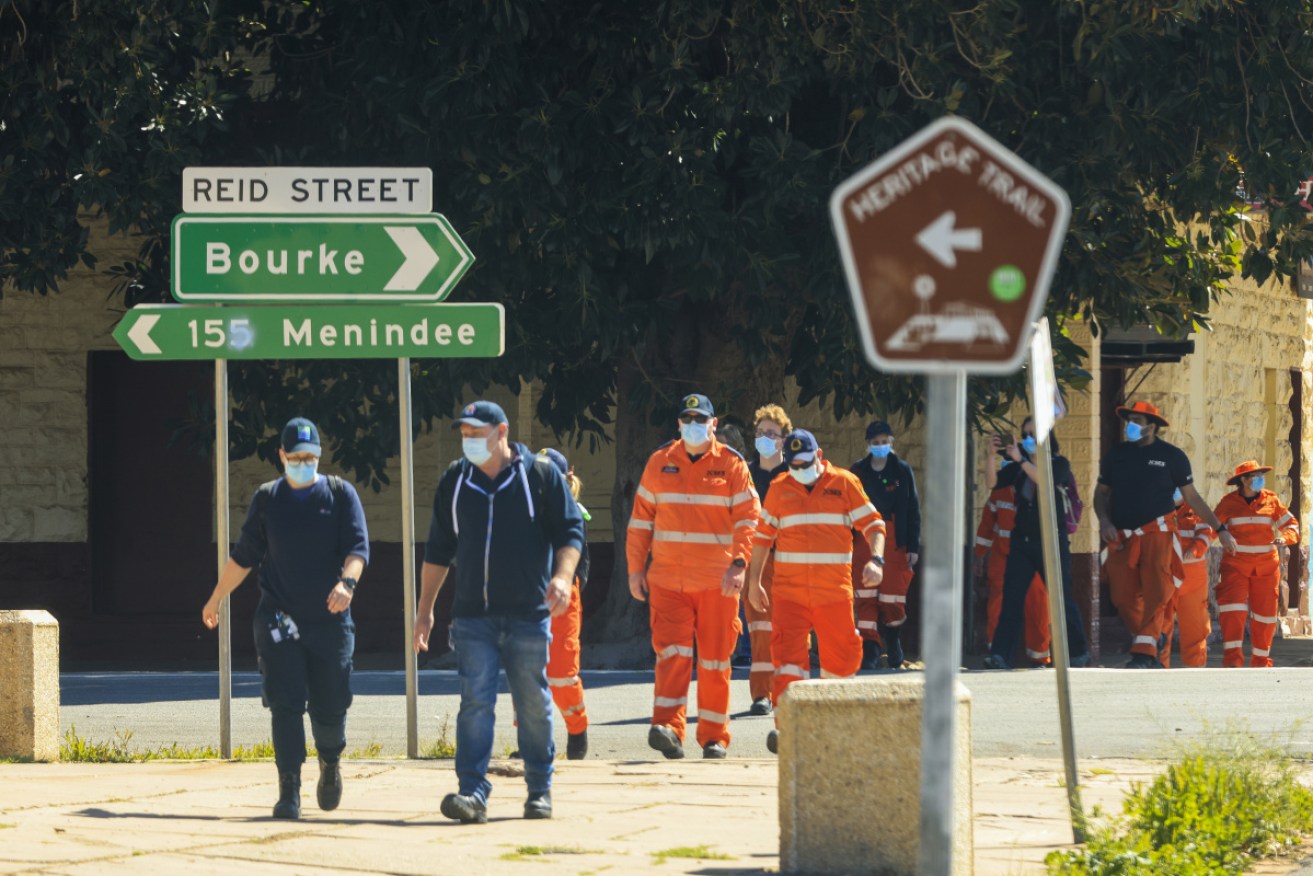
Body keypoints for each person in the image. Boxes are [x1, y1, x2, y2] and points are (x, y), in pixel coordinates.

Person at [414, 401, 584, 823]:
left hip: (529, 614)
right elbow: (438, 550)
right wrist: (424, 612)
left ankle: (539, 789)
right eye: (464, 433)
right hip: (473, 617)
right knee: (475, 702)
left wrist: (562, 577)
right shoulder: (456, 481)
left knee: (531, 703)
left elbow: (570, 531)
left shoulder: (539, 477)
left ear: (502, 432)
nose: (469, 440)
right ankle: (472, 791)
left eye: (477, 432)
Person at [201, 417, 369, 820]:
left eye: (310, 457)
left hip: (330, 622)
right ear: (281, 455)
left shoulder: (340, 494)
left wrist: (347, 584)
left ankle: (330, 762)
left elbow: (358, 550)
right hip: (279, 622)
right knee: (285, 704)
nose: (303, 463)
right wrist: (216, 598)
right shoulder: (268, 499)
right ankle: (288, 789)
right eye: (295, 457)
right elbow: (244, 556)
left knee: (330, 707)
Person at [627, 392, 759, 760]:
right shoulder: (659, 462)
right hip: (668, 580)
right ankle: (668, 728)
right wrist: (636, 570)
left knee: (716, 660)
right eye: (687, 419)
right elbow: (640, 523)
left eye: (701, 420)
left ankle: (714, 737)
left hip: (717, 581)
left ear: (713, 424)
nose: (693, 425)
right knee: (671, 655)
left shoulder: (731, 465)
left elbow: (749, 520)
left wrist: (739, 565)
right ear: (679, 424)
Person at [748, 429, 885, 754]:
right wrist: (754, 582)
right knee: (786, 664)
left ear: (819, 456)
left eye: (806, 463)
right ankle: (788, 729)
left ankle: (833, 730)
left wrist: (877, 560)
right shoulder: (781, 489)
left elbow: (873, 524)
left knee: (839, 661)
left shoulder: (844, 483)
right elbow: (763, 537)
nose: (800, 470)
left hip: (833, 594)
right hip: (789, 594)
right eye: (794, 464)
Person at [1094, 401, 1236, 668]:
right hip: (1122, 536)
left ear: (1152, 426)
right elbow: (1101, 494)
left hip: (1158, 533)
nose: (1131, 426)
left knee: (1158, 594)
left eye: (1137, 421)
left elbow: (1192, 497)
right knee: (1122, 597)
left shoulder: (1172, 456)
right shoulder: (1116, 455)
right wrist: (1103, 521)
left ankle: (1144, 654)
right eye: (1129, 420)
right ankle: (1152, 637)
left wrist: (1220, 529)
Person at [982, 429, 1090, 670]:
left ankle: (1079, 652)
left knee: (1062, 599)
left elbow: (1046, 479)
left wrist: (1021, 460)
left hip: (1051, 540)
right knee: (1011, 598)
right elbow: (992, 483)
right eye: (1026, 434)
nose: (1028, 439)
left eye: (1033, 435)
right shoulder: (1019, 466)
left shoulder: (1059, 464)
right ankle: (1000, 654)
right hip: (1022, 541)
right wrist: (990, 456)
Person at [974, 423, 1052, 666]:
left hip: (1033, 553)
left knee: (1038, 605)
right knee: (998, 604)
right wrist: (979, 556)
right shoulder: (1000, 493)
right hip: (1002, 559)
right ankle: (997, 653)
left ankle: (1038, 656)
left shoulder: (1046, 478)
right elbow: (987, 526)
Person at [1212, 460, 1300, 668]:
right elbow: (1212, 526)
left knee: (1266, 615)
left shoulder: (1272, 500)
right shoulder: (1228, 502)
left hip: (1266, 568)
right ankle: (1233, 660)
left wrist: (1285, 538)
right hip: (1236, 566)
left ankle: (1261, 661)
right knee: (1233, 612)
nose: (1260, 481)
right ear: (1243, 480)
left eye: (1261, 477)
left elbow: (1291, 525)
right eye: (1255, 477)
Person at [850, 420, 921, 669]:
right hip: (862, 537)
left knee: (892, 596)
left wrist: (913, 546)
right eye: (875, 443)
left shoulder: (900, 472)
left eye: (884, 442)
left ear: (891, 443)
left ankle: (893, 640)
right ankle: (870, 648)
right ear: (868, 444)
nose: (880, 447)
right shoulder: (858, 472)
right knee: (865, 595)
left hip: (894, 537)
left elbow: (912, 508)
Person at [538, 448, 591, 758]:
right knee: (527, 671)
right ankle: (532, 740)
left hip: (563, 599)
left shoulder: (574, 513)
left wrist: (571, 586)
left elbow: (580, 560)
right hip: (528, 598)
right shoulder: (524, 509)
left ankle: (577, 729)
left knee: (561, 674)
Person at [742, 403, 793, 716]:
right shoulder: (744, 473)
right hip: (755, 561)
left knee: (788, 629)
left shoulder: (793, 475)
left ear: (783, 440)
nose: (764, 438)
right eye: (760, 432)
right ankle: (762, 694)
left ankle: (787, 690)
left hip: (790, 561)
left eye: (771, 433)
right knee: (760, 630)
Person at [1161, 488, 1214, 667]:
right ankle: (1158, 669)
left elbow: (1206, 534)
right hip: (1164, 577)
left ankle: (1196, 671)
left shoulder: (1196, 510)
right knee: (1160, 627)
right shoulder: (1155, 509)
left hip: (1192, 579)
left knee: (1196, 629)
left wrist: (1195, 549)